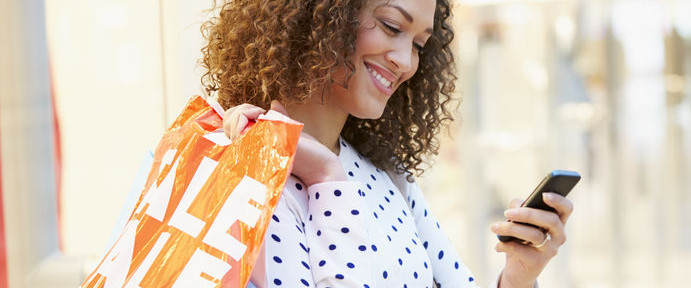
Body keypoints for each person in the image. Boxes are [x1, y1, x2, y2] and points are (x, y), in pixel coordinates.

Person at [200, 0, 574, 287]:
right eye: (391, 26)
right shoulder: (250, 171)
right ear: (322, 14)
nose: (405, 62)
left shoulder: (388, 176)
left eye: (419, 45)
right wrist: (327, 180)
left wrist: (519, 275)